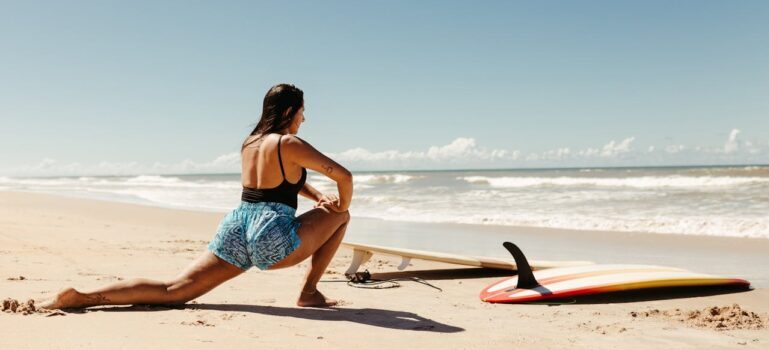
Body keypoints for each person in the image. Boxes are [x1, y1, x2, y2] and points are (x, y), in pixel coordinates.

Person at [41, 83, 353, 309]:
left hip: (237, 227)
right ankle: (309, 292)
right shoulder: (289, 143)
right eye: (302, 112)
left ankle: (82, 297)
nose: (303, 120)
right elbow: (344, 176)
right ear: (289, 111)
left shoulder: (250, 143)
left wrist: (315, 197)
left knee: (174, 290)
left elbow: (279, 183)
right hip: (272, 236)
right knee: (343, 216)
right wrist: (339, 206)